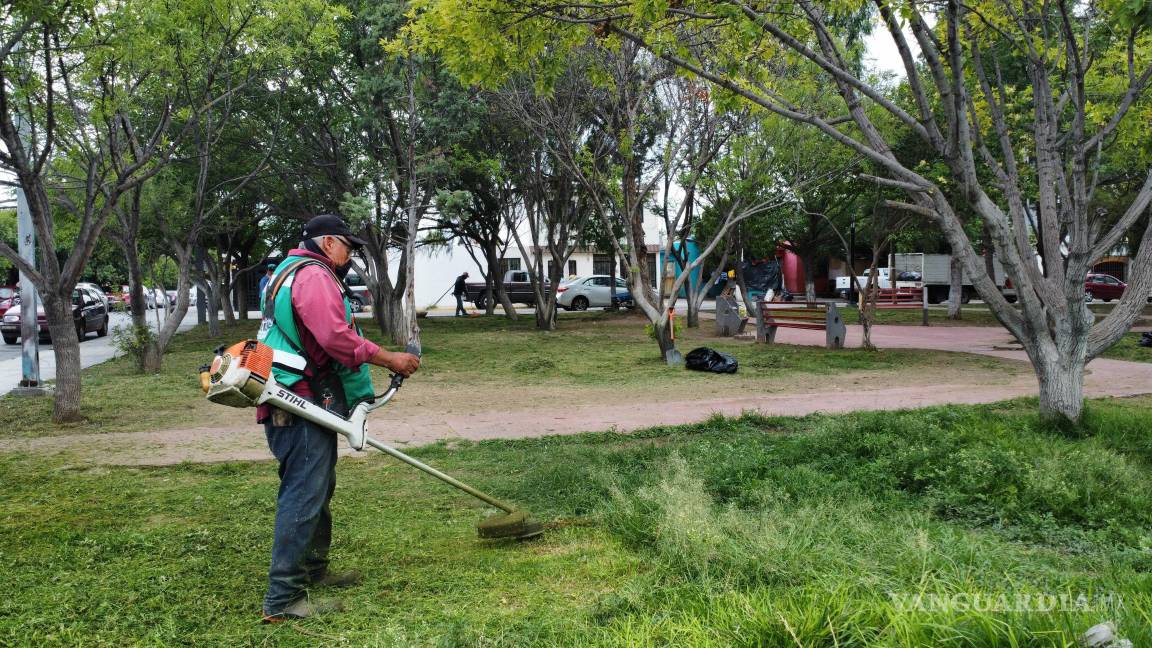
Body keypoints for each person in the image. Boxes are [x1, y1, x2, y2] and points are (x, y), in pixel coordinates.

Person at [255, 214, 420, 622]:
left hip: (296, 400)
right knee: (304, 494)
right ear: (328, 243)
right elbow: (335, 338)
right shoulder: (313, 275)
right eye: (348, 246)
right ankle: (283, 600)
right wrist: (390, 357)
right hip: (299, 403)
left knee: (316, 488)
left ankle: (313, 570)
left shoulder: (285, 272)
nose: (349, 255)